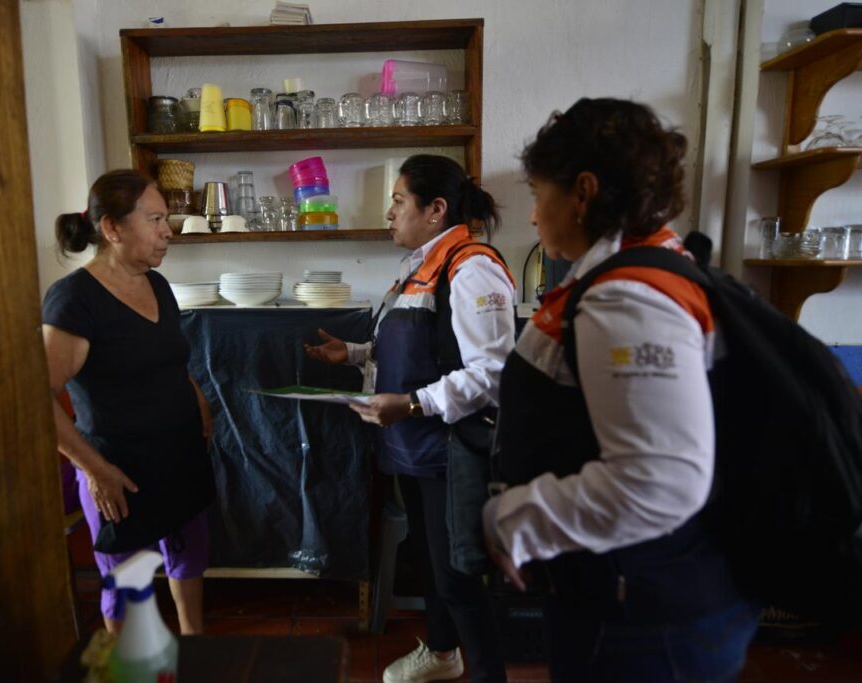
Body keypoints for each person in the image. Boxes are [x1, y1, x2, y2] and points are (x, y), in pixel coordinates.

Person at [482, 98, 759, 682]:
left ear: (582, 193)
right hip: (627, 592)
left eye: (537, 193)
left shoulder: (627, 297)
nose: (532, 215)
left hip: (645, 618)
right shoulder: (639, 267)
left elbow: (659, 479)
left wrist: (512, 520)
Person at [306, 154, 515, 683]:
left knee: (459, 576)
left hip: (452, 449)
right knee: (430, 561)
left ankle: (489, 674)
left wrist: (413, 404)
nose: (390, 212)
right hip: (415, 444)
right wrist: (354, 354)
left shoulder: (472, 268)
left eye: (399, 201)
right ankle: (443, 653)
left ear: (435, 209)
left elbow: (491, 374)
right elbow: (413, 346)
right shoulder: (420, 265)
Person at [42, 169, 214, 635]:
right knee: (126, 585)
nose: (167, 231)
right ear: (112, 229)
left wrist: (196, 397)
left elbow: (166, 357)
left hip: (178, 456)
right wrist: (95, 470)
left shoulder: (157, 285)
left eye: (166, 219)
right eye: (155, 219)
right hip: (118, 470)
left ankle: (195, 651)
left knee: (188, 561)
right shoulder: (74, 300)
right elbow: (37, 398)